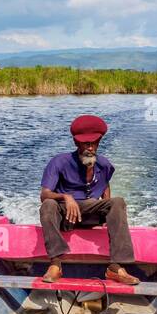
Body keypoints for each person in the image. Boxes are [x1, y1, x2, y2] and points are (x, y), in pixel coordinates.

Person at [38, 114, 140, 285]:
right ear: (76, 143)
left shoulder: (104, 165)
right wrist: (66, 196)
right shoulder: (59, 162)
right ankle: (55, 264)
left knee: (118, 202)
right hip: (66, 216)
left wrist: (110, 215)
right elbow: (44, 194)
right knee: (48, 205)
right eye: (86, 143)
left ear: (99, 142)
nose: (90, 148)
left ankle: (115, 267)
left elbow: (105, 185)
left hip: (91, 213)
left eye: (94, 143)